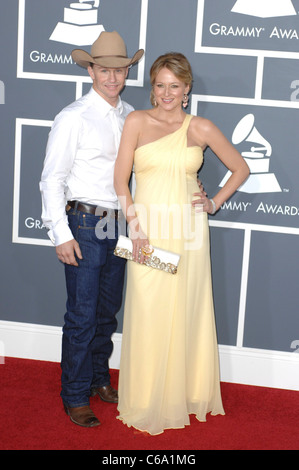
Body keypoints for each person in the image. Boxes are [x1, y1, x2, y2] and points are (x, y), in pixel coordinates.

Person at [114, 52, 250, 435]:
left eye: (176, 86)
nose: (168, 92)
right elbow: (120, 180)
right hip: (148, 231)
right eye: (161, 85)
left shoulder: (201, 128)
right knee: (148, 309)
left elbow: (241, 168)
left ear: (187, 90)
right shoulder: (137, 122)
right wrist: (135, 226)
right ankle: (145, 397)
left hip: (189, 233)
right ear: (152, 88)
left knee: (186, 309)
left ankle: (185, 392)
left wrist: (213, 203)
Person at [39, 31, 144, 427]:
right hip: (83, 223)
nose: (112, 77)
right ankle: (75, 393)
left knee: (107, 311)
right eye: (104, 69)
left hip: (117, 225)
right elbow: (52, 179)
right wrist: (60, 234)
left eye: (119, 69)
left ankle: (99, 377)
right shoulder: (73, 117)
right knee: (82, 315)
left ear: (127, 71)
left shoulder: (131, 114)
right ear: (90, 69)